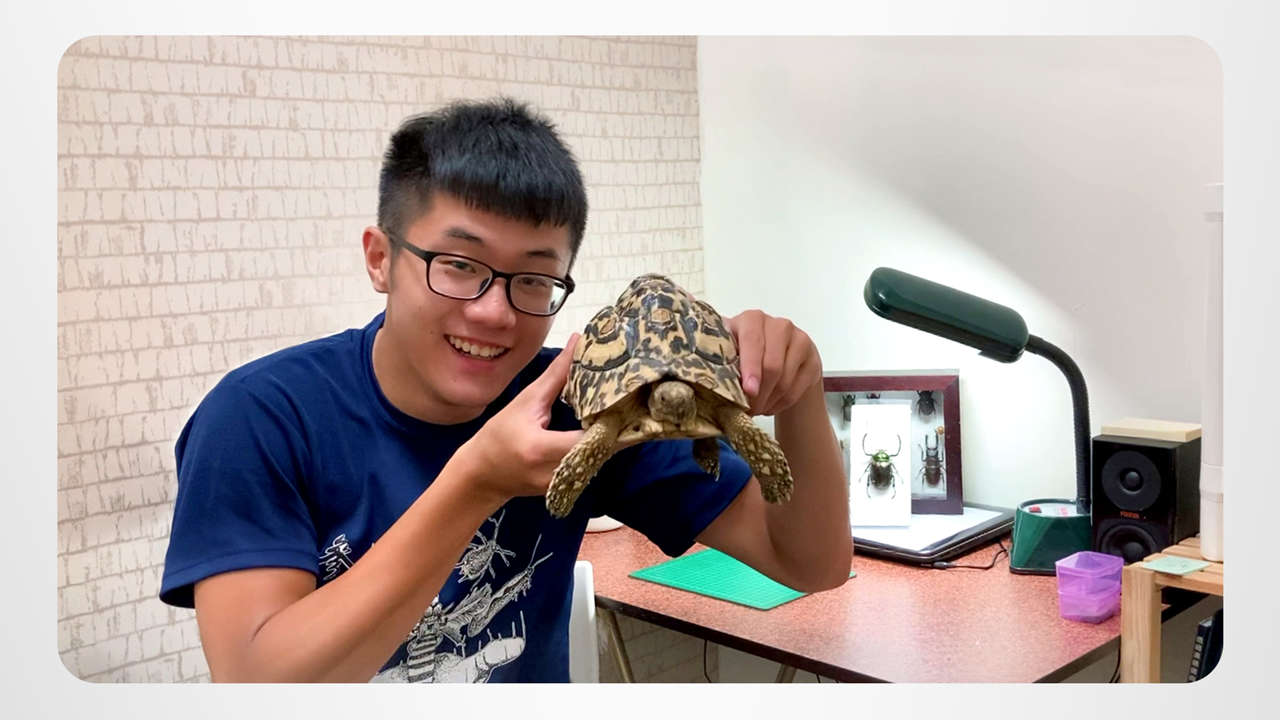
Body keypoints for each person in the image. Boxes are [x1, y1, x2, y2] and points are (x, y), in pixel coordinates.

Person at [159, 97, 852, 683]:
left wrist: (801, 391)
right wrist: (475, 484)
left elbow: (811, 563)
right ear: (380, 258)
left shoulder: (576, 406)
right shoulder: (259, 418)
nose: (494, 313)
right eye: (459, 265)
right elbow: (256, 681)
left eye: (533, 279)